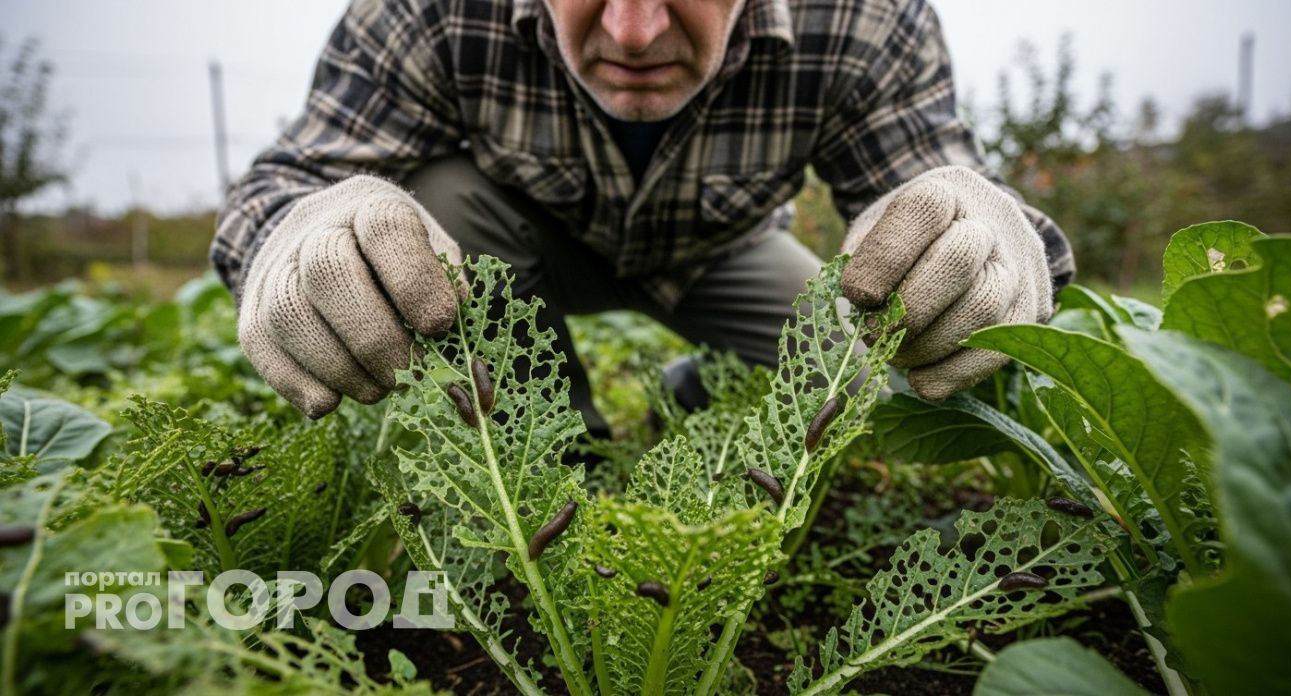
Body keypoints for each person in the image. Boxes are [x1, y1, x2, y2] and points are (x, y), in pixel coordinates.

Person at [212, 0, 1073, 434]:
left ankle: (694, 405)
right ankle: (545, 444)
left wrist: (982, 232)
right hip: (512, 246)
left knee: (851, 366)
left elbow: (933, 180)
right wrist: (297, 232)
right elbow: (293, 181)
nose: (630, 32)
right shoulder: (431, 9)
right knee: (424, 201)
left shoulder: (860, 17)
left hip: (716, 250)